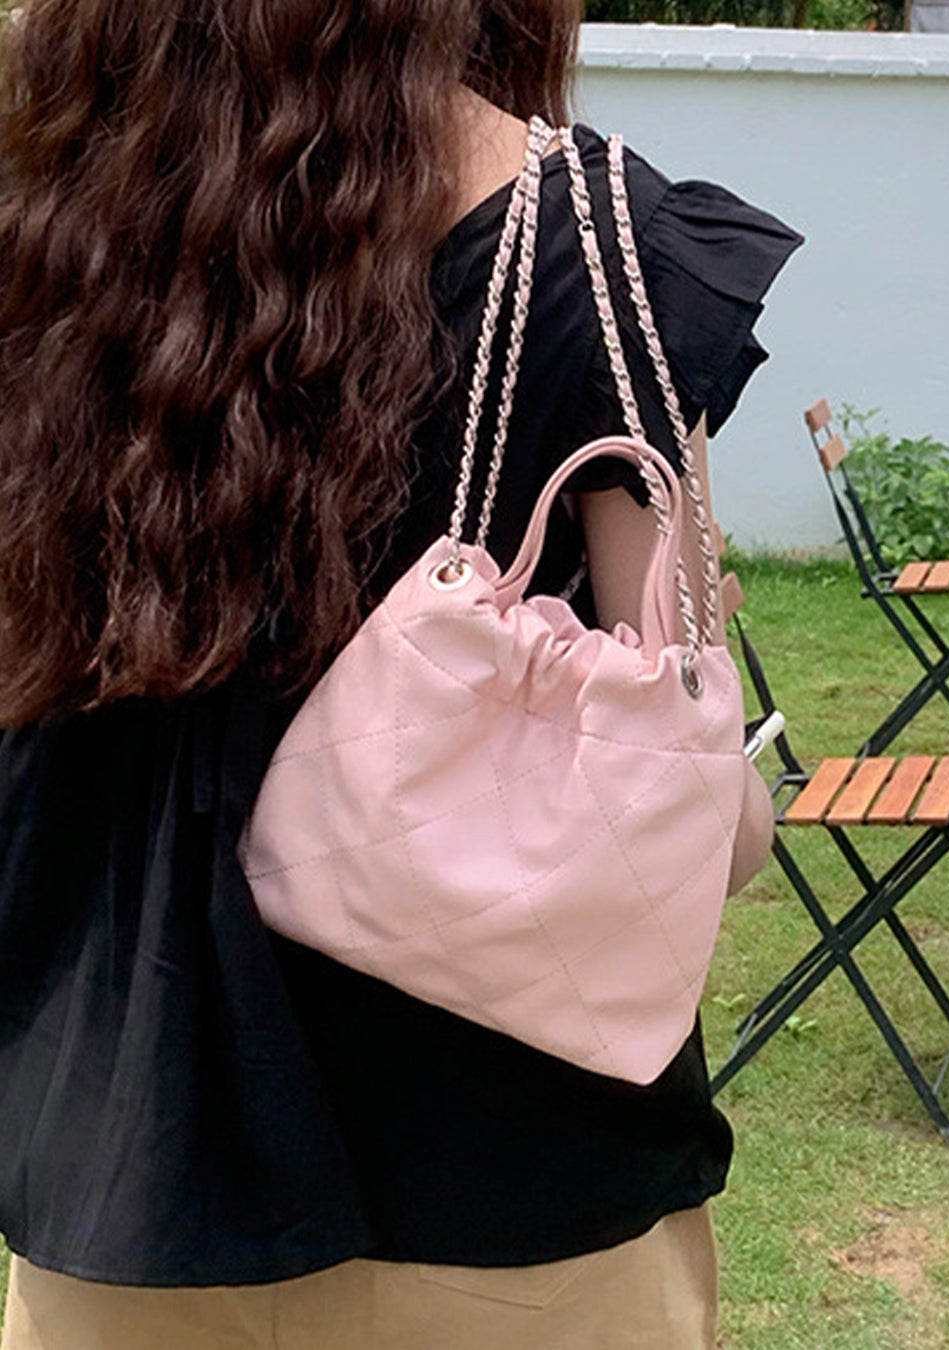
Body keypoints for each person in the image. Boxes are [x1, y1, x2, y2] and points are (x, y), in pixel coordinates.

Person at [0, 1, 801, 1346]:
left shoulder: (49, 237)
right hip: (523, 1207)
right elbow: (709, 837)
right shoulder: (590, 251)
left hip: (115, 1196)